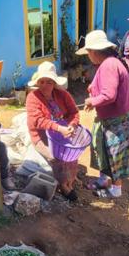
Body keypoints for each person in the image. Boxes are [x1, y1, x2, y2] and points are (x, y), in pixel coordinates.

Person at [77, 30, 129, 198]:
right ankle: (104, 179)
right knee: (102, 148)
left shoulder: (109, 65)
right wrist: (93, 93)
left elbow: (109, 95)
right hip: (110, 118)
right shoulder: (109, 63)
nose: (88, 56)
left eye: (88, 53)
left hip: (117, 122)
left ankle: (116, 189)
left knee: (115, 153)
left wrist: (91, 101)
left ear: (93, 52)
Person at [25, 61, 81, 201]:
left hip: (60, 135)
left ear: (54, 83)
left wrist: (72, 125)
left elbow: (74, 112)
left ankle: (71, 179)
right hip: (41, 137)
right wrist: (59, 128)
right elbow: (37, 121)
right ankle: (64, 186)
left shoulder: (63, 95)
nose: (45, 85)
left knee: (72, 152)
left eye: (49, 82)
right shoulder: (33, 97)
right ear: (37, 83)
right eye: (42, 81)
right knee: (56, 157)